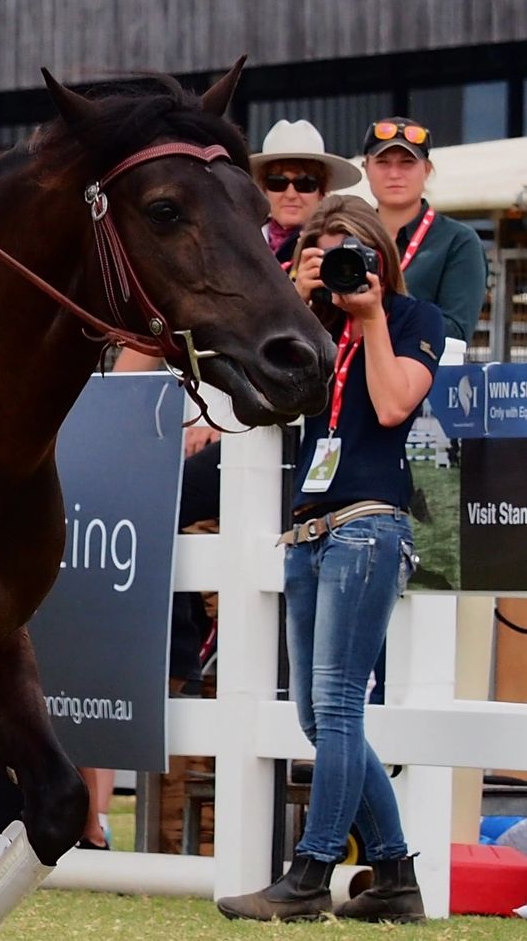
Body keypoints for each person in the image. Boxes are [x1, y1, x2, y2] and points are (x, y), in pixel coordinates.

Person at [217, 195, 441, 923]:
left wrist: (371, 317)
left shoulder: (412, 320)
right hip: (309, 533)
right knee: (320, 716)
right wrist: (295, 298)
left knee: (340, 705)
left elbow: (390, 405)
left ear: (381, 256)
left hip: (370, 527)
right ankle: (397, 879)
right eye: (325, 251)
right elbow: (262, 402)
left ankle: (310, 873)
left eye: (353, 252)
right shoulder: (307, 327)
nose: (343, 267)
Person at [360, 118, 490, 359]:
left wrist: (377, 310)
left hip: (423, 385)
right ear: (366, 167)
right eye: (383, 162)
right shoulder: (350, 237)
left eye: (407, 163)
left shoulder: (458, 242)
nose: (394, 173)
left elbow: (455, 332)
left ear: (427, 169)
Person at [251, 119, 361, 265]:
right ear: (264, 190)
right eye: (277, 183)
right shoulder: (242, 244)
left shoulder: (341, 246)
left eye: (304, 184)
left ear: (322, 192)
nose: (290, 195)